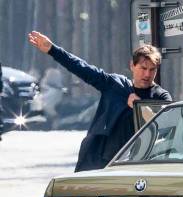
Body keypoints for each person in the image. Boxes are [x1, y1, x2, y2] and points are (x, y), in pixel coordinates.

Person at [27, 31, 172, 172]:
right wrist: (52, 50)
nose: (147, 74)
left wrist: (138, 106)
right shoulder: (115, 85)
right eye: (143, 68)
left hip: (140, 167)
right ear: (132, 66)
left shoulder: (161, 97)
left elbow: (164, 130)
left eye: (152, 69)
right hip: (101, 163)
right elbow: (82, 68)